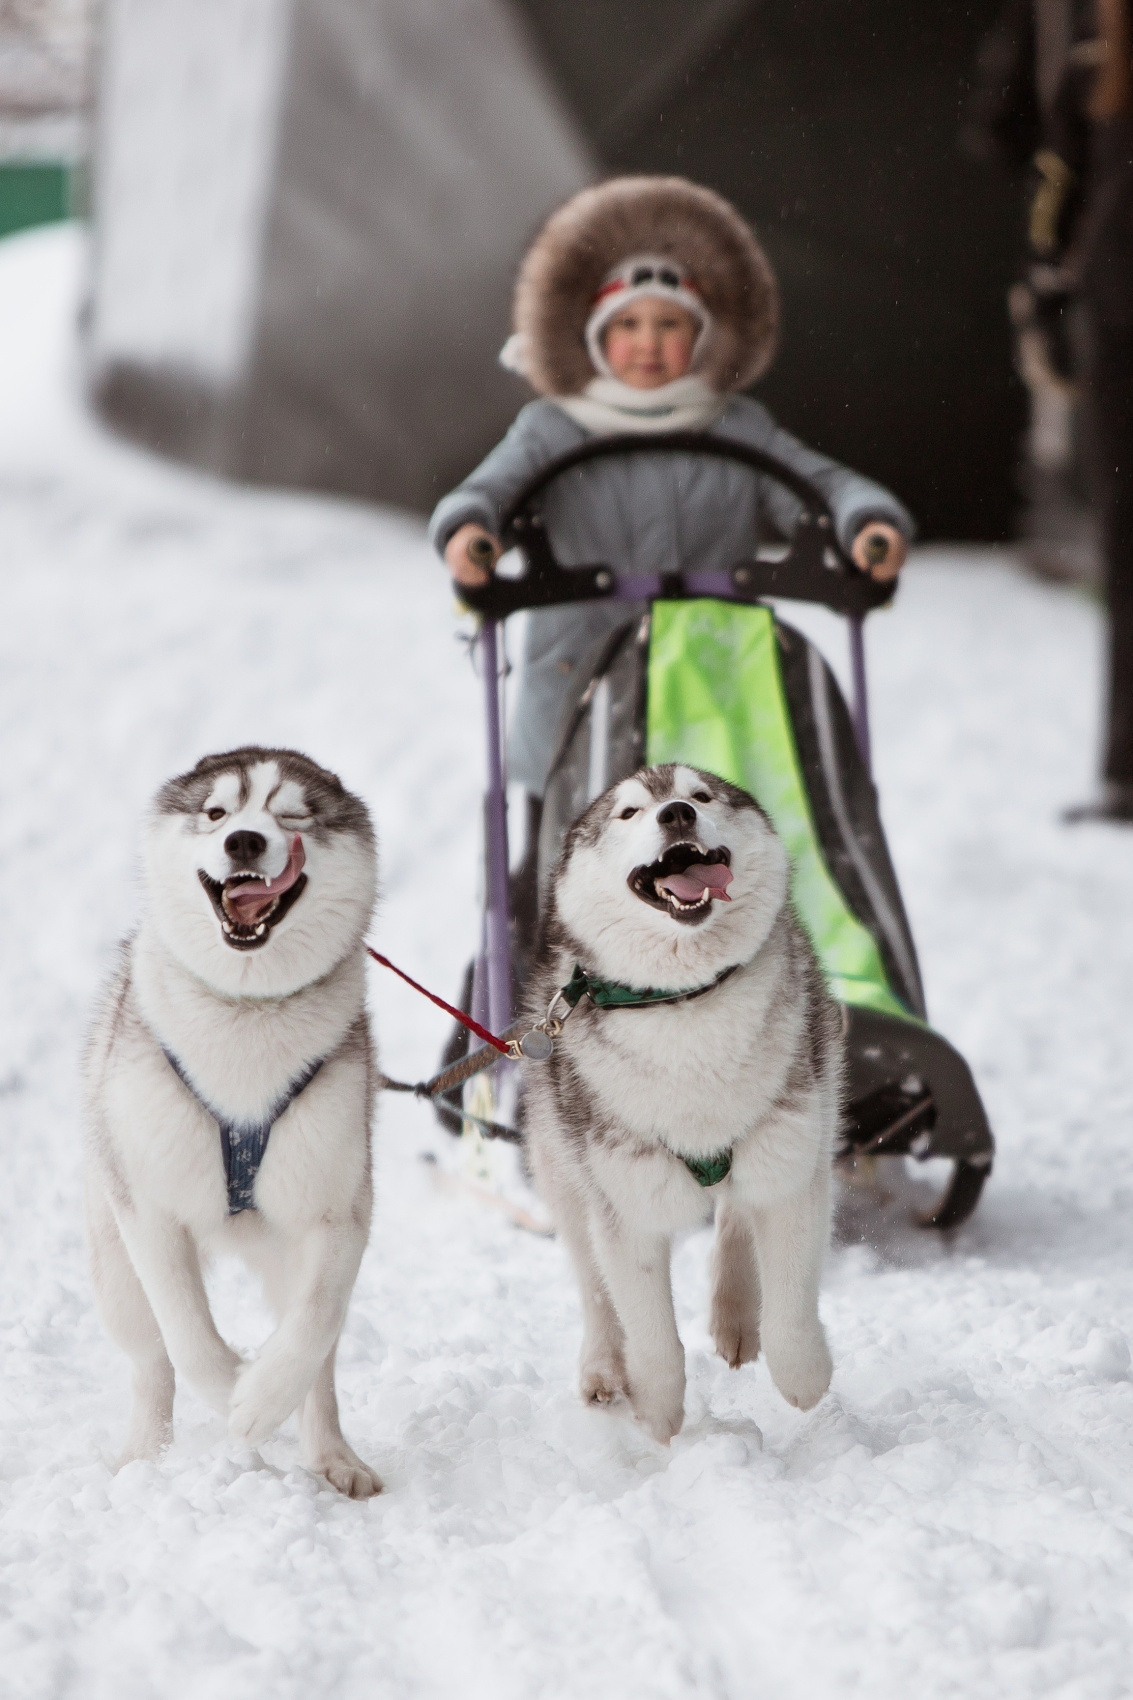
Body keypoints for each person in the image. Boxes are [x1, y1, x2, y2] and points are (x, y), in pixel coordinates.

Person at [428, 176, 914, 866]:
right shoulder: (551, 429)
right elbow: (488, 494)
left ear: (701, 337)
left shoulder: (737, 428)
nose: (648, 343)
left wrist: (865, 525)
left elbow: (821, 488)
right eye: (628, 325)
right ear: (597, 338)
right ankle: (539, 923)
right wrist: (471, 534)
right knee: (568, 852)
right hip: (577, 680)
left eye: (670, 325)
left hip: (709, 678)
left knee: (707, 842)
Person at [968, 0, 1133, 822]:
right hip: (1113, 286)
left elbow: (1014, 134)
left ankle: (1128, 768)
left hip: (1114, 282)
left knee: (1126, 533)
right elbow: (1022, 130)